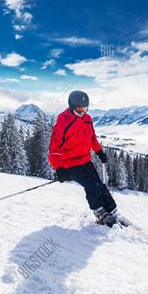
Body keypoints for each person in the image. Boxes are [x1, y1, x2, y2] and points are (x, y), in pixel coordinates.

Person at [48, 91, 118, 227]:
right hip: (70, 163)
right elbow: (54, 149)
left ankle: (112, 209)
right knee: (91, 185)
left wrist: (99, 151)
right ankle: (100, 213)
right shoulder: (63, 121)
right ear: (71, 106)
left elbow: (92, 138)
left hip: (85, 159)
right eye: (79, 109)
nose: (82, 112)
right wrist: (59, 168)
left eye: (84, 109)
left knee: (99, 184)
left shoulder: (87, 119)